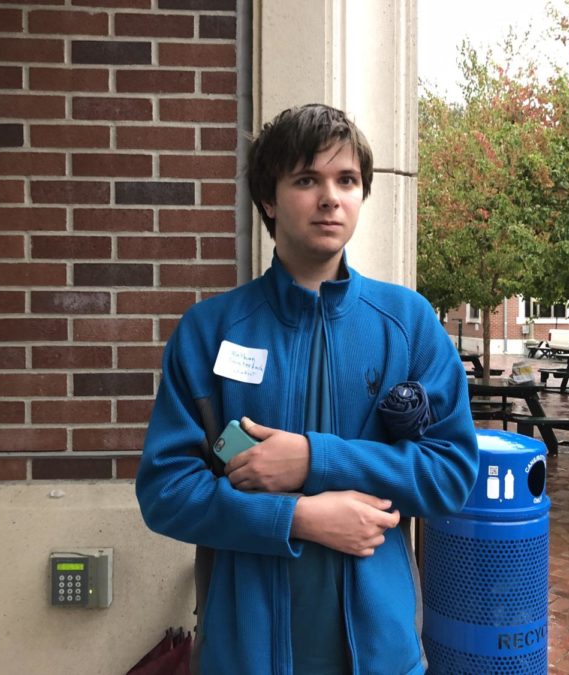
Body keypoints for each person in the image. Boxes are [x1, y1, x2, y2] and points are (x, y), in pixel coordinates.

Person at [136, 104, 479, 674]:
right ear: (269, 201)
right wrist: (296, 517)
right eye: (306, 180)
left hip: (382, 657)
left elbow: (450, 474)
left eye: (346, 180)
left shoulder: (409, 323)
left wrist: (313, 460)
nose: (330, 197)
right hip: (245, 656)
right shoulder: (210, 331)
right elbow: (166, 491)